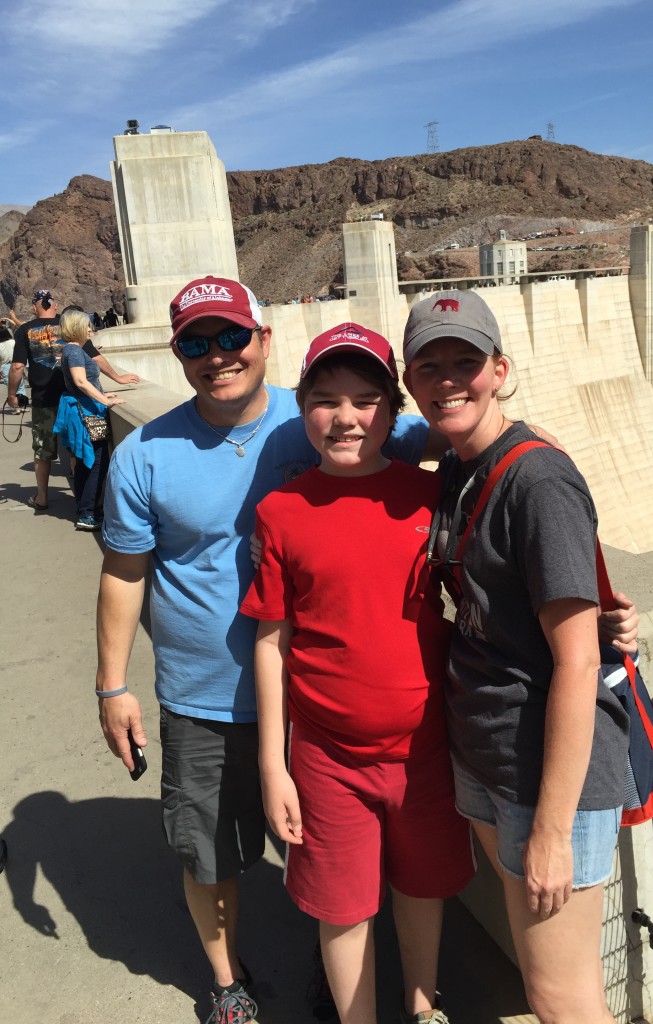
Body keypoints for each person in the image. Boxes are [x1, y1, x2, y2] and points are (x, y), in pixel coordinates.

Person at [95, 279, 434, 1024]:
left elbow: (443, 437)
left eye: (231, 338)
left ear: (264, 340)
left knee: (330, 852)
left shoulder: (317, 414)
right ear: (177, 351)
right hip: (202, 691)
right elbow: (124, 573)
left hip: (319, 699)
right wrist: (111, 685)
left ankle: (333, 968)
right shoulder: (145, 456)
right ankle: (226, 982)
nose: (217, 357)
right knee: (210, 849)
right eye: (195, 342)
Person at [401, 289, 633, 1024]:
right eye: (428, 365)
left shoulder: (538, 483)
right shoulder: (459, 467)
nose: (447, 380)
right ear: (409, 383)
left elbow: (576, 661)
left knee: (561, 997)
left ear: (499, 369)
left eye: (465, 362)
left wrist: (554, 835)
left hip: (548, 777)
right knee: (548, 987)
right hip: (491, 756)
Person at [242, 325, 475, 1024]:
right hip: (325, 757)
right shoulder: (281, 512)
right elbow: (270, 641)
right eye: (327, 400)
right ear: (303, 406)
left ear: (394, 411)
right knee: (342, 908)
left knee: (422, 886)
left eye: (366, 400)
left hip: (425, 749)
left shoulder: (430, 497)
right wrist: (274, 766)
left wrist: (605, 613)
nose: (346, 418)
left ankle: (422, 1004)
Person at [6, 290, 139, 511]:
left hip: (43, 400)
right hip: (75, 400)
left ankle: (42, 498)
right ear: (55, 305)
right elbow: (95, 355)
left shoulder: (25, 330)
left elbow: (18, 367)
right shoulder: (69, 325)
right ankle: (82, 497)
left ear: (34, 306)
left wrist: (12, 395)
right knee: (77, 446)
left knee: (43, 451)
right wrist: (118, 378)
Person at [54, 308, 125, 530]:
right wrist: (105, 401)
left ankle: (86, 509)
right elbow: (81, 382)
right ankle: (88, 514)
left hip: (85, 410)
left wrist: (104, 395)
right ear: (76, 327)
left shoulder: (71, 350)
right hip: (87, 414)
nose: (89, 328)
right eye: (85, 325)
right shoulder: (74, 352)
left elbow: (85, 383)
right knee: (96, 463)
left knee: (87, 464)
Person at [0, 316, 27, 409]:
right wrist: (8, 318)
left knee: (11, 388)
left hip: (4, 367)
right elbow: (14, 324)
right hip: (14, 364)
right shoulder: (12, 342)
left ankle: (16, 407)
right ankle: (22, 405)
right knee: (20, 386)